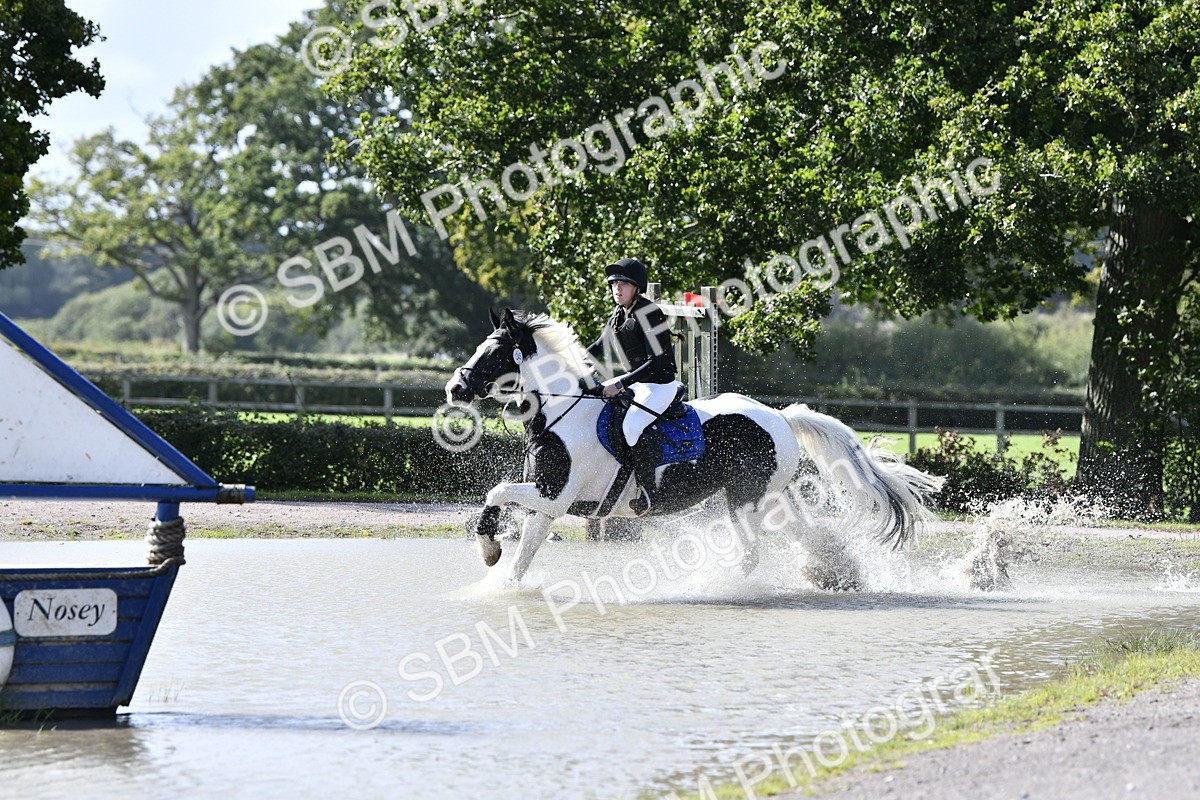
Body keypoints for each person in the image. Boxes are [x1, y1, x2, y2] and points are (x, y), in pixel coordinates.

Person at [586, 257, 680, 514]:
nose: (617, 288)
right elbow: (598, 348)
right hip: (639, 384)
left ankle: (649, 494)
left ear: (636, 288)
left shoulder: (650, 313)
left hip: (660, 386)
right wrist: (571, 362)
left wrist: (620, 382)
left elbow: (657, 361)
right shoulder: (618, 314)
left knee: (631, 425)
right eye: (614, 284)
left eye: (623, 284)